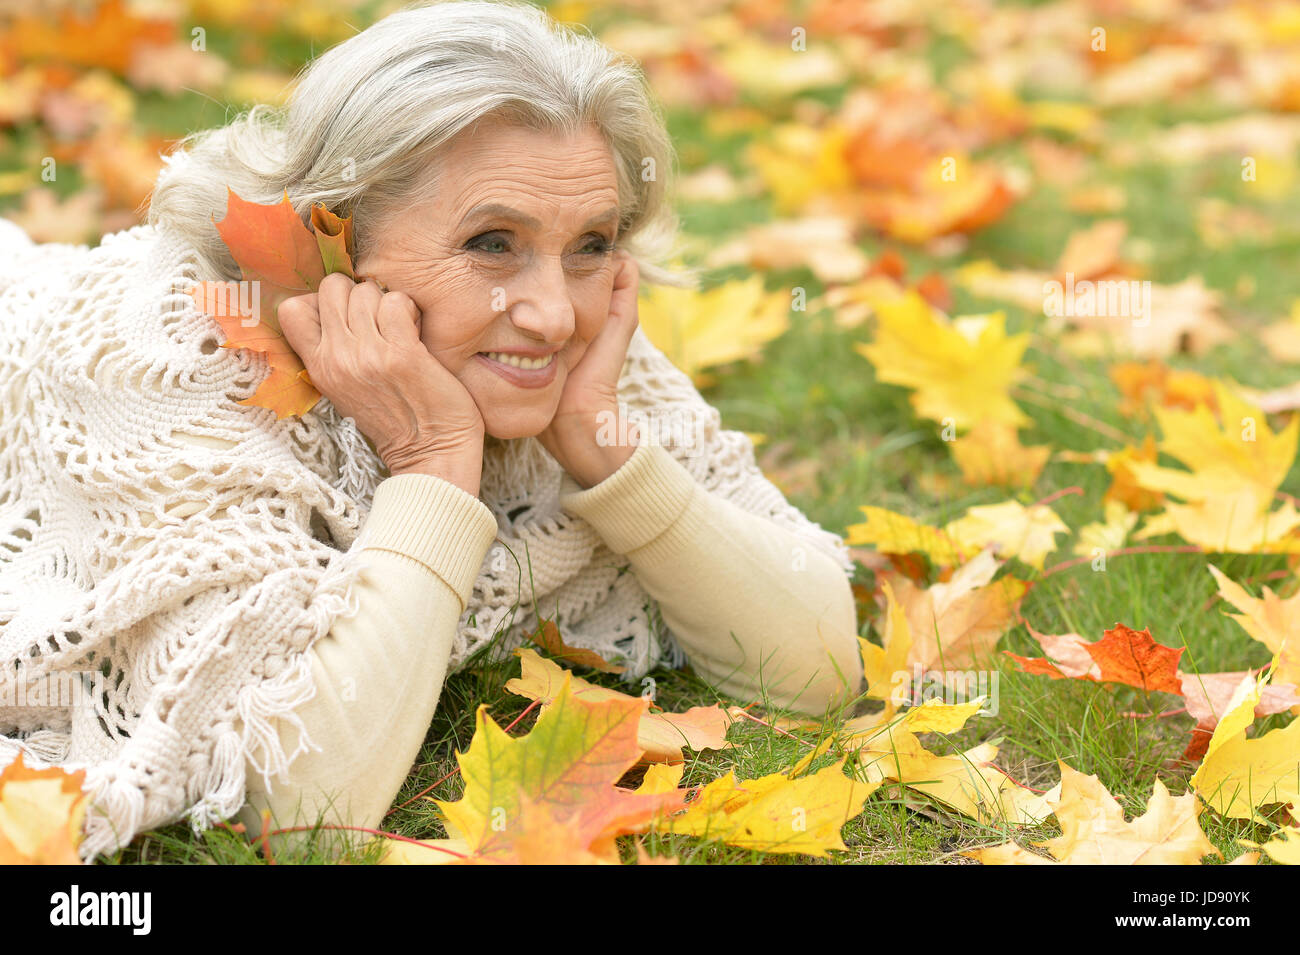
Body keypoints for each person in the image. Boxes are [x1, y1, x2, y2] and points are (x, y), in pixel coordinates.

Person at [0, 0, 862, 860]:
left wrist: (608, 452)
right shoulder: (166, 353)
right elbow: (294, 803)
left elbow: (815, 669)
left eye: (592, 244)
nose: (554, 312)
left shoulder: (561, 352)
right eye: (493, 243)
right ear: (334, 233)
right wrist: (435, 467)